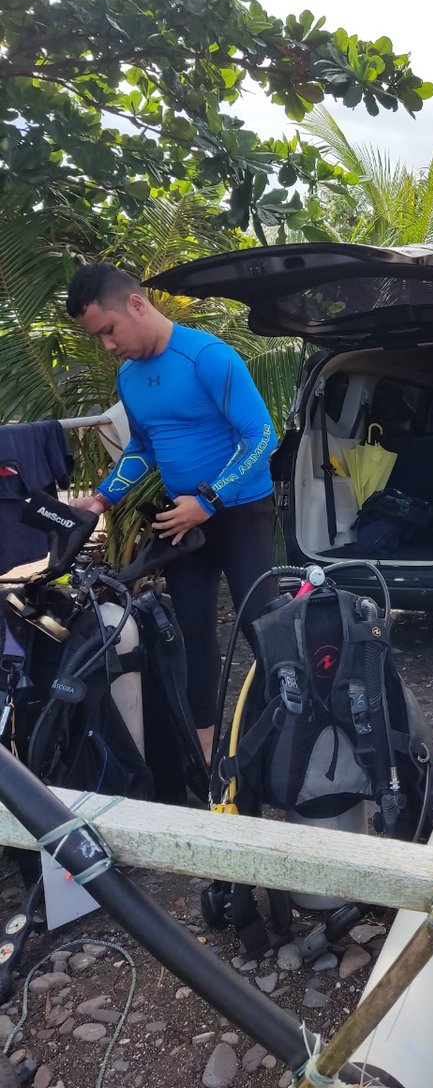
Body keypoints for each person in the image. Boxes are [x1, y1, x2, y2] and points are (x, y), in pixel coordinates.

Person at [66, 263, 278, 764]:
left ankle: (281, 741)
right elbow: (143, 448)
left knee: (263, 628)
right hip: (180, 519)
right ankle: (202, 755)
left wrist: (207, 502)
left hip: (239, 513)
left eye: (109, 331)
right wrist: (100, 499)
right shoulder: (129, 376)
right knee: (193, 633)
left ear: (137, 305)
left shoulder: (207, 357)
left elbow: (261, 436)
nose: (108, 346)